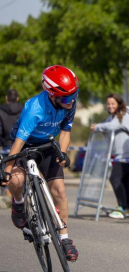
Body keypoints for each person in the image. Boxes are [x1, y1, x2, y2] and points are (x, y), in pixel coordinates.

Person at [1, 65, 79, 261]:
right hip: (25, 144)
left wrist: (62, 153)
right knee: (16, 181)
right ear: (51, 95)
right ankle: (18, 203)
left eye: (73, 96)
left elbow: (66, 132)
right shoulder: (34, 109)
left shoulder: (70, 100)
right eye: (65, 99)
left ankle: (64, 238)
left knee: (59, 190)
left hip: (48, 145)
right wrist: (7, 171)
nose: (70, 103)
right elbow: (18, 142)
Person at [91, 94, 129, 219]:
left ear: (119, 104)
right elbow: (105, 125)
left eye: (113, 103)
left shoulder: (123, 114)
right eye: (108, 104)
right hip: (120, 153)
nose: (110, 106)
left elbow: (112, 126)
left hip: (126, 153)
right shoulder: (112, 116)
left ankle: (122, 207)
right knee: (125, 181)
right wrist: (98, 127)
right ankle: (128, 209)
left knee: (115, 179)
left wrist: (97, 127)